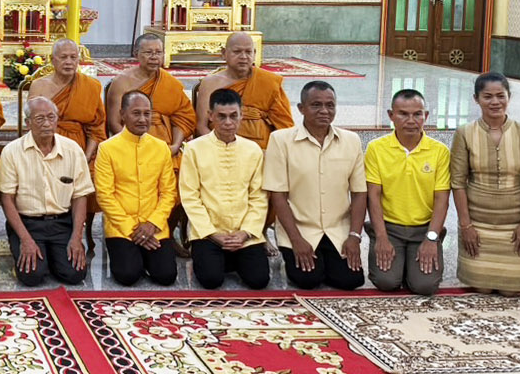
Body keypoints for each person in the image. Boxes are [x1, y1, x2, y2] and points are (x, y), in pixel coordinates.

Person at [264, 81, 366, 291]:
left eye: (330, 105)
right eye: (316, 105)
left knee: (350, 281)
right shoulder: (281, 140)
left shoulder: (351, 140)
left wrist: (354, 236)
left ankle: (329, 259)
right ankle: (292, 257)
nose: (324, 111)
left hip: (338, 230)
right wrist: (295, 240)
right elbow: (278, 195)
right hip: (300, 229)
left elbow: (358, 193)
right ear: (301, 108)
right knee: (307, 280)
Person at [451, 72, 520, 295]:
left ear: (509, 97)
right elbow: (457, 182)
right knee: (481, 289)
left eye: (500, 96)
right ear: (476, 99)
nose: (495, 102)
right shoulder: (464, 133)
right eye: (487, 97)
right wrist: (466, 226)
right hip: (477, 220)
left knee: (511, 291)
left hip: (514, 222)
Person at [0, 97, 94, 287]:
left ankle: (53, 255)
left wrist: (76, 238)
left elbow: (80, 196)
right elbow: (6, 199)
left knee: (75, 274)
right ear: (28, 123)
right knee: (32, 276)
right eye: (40, 119)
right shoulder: (12, 152)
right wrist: (25, 240)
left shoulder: (73, 149)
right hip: (28, 223)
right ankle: (30, 249)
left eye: (51, 117)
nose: (47, 123)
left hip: (62, 223)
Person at [179, 89, 270, 289]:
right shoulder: (194, 148)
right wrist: (213, 234)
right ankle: (218, 259)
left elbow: (259, 197)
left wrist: (245, 233)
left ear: (241, 116)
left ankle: (231, 257)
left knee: (259, 280)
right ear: (210, 116)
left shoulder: (253, 149)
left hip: (244, 233)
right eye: (221, 116)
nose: (228, 122)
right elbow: (190, 196)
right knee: (211, 281)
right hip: (208, 233)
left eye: (233, 116)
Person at [365, 90, 451, 296]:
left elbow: (442, 200)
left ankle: (430, 246)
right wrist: (382, 237)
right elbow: (373, 197)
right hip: (390, 227)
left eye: (417, 114)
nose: (411, 120)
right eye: (403, 114)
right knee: (386, 281)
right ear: (391, 115)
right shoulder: (376, 148)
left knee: (424, 286)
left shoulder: (439, 151)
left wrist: (431, 238)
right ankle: (392, 254)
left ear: (426, 116)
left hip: (424, 229)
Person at [95, 91, 178, 287]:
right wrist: (132, 229)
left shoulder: (161, 148)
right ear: (122, 114)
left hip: (154, 225)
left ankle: (144, 255)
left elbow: (169, 193)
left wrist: (152, 223)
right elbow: (105, 196)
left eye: (147, 113)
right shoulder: (107, 148)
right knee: (128, 275)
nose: (142, 119)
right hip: (121, 226)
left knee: (166, 276)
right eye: (136, 113)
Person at [197, 32, 293, 149]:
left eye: (248, 52)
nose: (243, 57)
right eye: (237, 52)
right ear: (224, 53)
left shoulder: (268, 82)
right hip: (220, 147)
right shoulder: (210, 83)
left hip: (262, 150)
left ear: (254, 54)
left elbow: (285, 126)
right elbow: (201, 126)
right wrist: (222, 149)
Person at [103, 33, 194, 154]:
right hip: (131, 146)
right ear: (136, 54)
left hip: (165, 147)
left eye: (158, 52)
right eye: (148, 52)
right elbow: (114, 123)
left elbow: (183, 119)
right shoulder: (122, 82)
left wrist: (175, 146)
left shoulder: (169, 82)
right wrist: (134, 146)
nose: (154, 57)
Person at [26, 39, 106, 158]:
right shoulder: (39, 86)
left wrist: (86, 157)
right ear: (52, 60)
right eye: (63, 57)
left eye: (73, 57)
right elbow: (33, 124)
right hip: (43, 148)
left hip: (80, 150)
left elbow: (96, 128)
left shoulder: (90, 86)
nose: (68, 62)